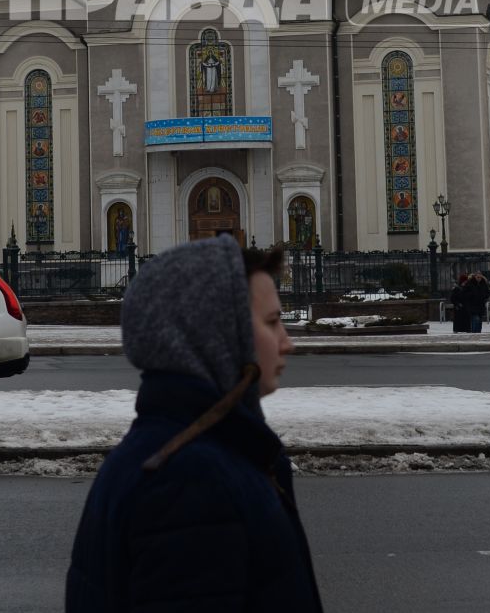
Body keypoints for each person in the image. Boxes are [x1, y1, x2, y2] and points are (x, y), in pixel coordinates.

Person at [66, 237, 322, 612]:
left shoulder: (189, 451)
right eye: (271, 322)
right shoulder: (190, 483)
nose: (287, 343)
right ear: (217, 331)